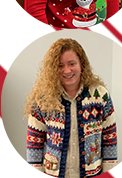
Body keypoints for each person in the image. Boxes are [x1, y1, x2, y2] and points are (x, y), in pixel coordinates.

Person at [25, 38, 117, 177]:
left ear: (82, 64)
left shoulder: (101, 96)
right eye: (60, 65)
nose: (66, 70)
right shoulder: (42, 99)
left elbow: (110, 140)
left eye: (72, 63)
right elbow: (34, 145)